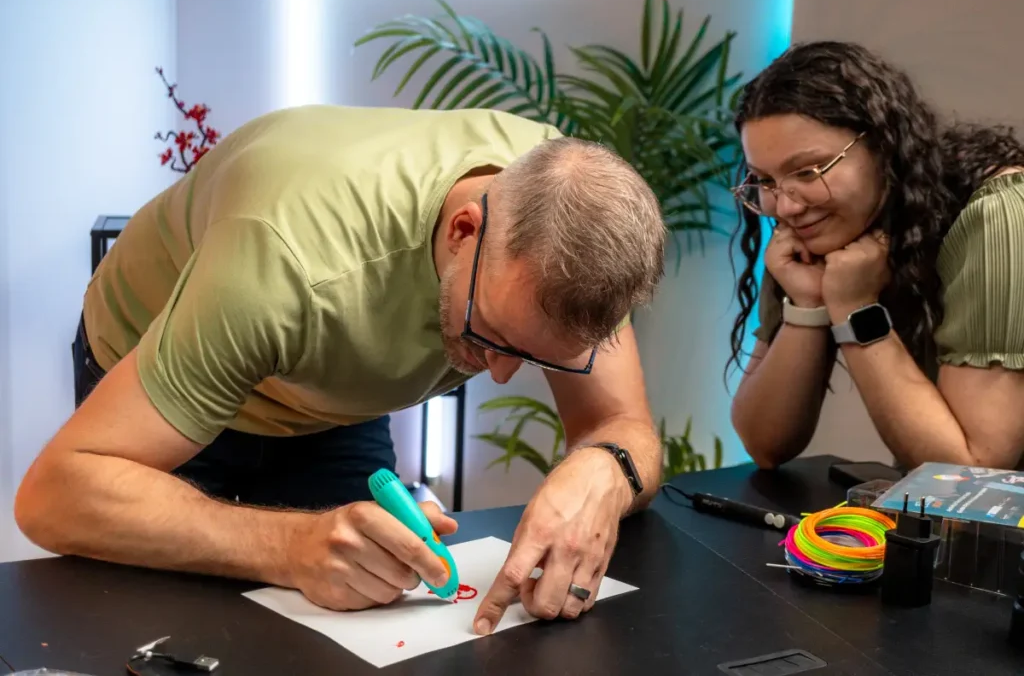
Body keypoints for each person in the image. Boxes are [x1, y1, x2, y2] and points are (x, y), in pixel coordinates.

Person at [14, 105, 667, 636]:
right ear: (464, 230)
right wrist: (290, 546)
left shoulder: (569, 227)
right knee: (175, 634)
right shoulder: (282, 262)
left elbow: (622, 426)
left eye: (533, 355)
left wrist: (604, 469)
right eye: (488, 333)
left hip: (323, 389)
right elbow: (53, 497)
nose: (498, 373)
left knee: (360, 614)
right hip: (165, 355)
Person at [727, 41, 1024, 471]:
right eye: (765, 180)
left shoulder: (999, 212)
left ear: (884, 147)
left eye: (809, 171)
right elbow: (765, 443)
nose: (786, 206)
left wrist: (857, 310)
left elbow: (969, 472)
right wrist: (808, 305)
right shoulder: (812, 230)